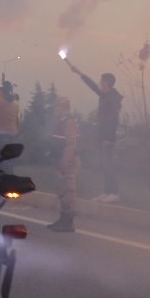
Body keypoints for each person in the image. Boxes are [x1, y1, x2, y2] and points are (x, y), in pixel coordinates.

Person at [64, 58, 123, 202]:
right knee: (104, 164)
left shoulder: (112, 99)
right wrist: (79, 73)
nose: (99, 83)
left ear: (107, 83)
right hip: (103, 136)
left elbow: (113, 120)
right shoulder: (105, 95)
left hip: (108, 138)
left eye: (101, 81)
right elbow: (92, 85)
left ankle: (114, 193)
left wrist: (109, 138)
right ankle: (106, 191)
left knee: (108, 164)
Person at [48, 95, 80, 232]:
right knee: (62, 190)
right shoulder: (62, 121)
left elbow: (71, 144)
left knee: (68, 191)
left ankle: (67, 222)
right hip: (62, 159)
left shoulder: (69, 122)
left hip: (68, 161)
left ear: (61, 108)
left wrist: (65, 162)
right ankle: (63, 219)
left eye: (56, 107)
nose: (54, 110)